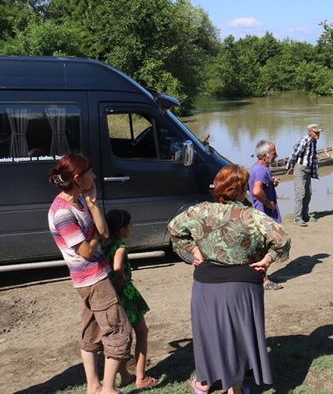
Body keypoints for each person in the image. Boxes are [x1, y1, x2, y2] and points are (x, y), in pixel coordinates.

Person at [168, 164, 290, 394]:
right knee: (239, 337)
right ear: (242, 189)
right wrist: (267, 260)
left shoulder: (200, 211)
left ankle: (204, 383)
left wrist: (195, 251)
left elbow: (174, 228)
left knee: (209, 335)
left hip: (206, 285)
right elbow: (282, 240)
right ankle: (235, 389)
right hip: (243, 286)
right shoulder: (252, 215)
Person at [47, 153, 132, 394]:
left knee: (92, 332)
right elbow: (85, 251)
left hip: (95, 276)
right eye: (90, 173)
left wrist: (93, 204)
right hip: (92, 279)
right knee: (119, 330)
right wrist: (94, 234)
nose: (94, 177)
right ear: (77, 178)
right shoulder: (62, 213)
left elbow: (104, 233)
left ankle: (94, 386)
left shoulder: (80, 201)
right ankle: (108, 389)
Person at [102, 209, 158, 389]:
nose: (132, 227)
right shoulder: (119, 247)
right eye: (130, 224)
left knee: (119, 336)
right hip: (125, 295)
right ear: (122, 229)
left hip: (109, 294)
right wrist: (120, 279)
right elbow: (118, 269)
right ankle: (141, 376)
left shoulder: (102, 245)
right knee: (141, 332)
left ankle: (125, 375)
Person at [249, 139, 284, 290]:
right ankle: (263, 280)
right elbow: (257, 191)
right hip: (264, 214)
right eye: (274, 153)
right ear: (265, 156)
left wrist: (270, 183)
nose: (276, 155)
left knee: (262, 247)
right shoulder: (262, 170)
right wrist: (269, 204)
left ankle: (262, 277)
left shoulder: (255, 168)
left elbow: (256, 187)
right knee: (271, 246)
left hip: (258, 213)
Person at [286, 124, 322, 227]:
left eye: (318, 132)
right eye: (316, 132)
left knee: (308, 193)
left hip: (308, 169)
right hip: (300, 169)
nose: (318, 134)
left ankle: (305, 215)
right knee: (300, 193)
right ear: (309, 132)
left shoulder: (313, 142)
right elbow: (294, 154)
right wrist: (289, 167)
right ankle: (298, 218)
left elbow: (312, 155)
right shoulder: (303, 141)